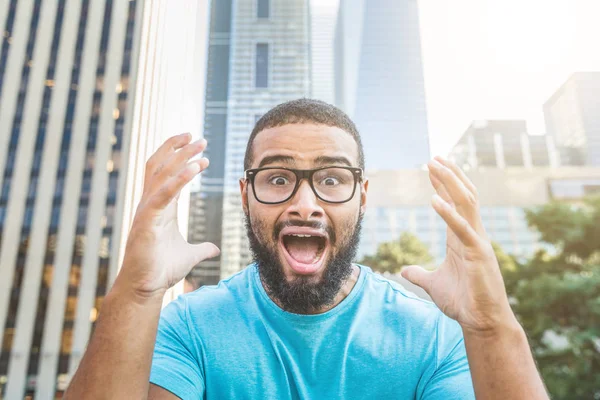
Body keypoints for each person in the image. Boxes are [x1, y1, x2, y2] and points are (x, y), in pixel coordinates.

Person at [65, 99, 548, 399]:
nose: (304, 204)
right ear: (245, 196)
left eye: (332, 179)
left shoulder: (433, 339)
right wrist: (135, 292)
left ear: (361, 197)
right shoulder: (188, 327)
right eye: (277, 179)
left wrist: (489, 325)